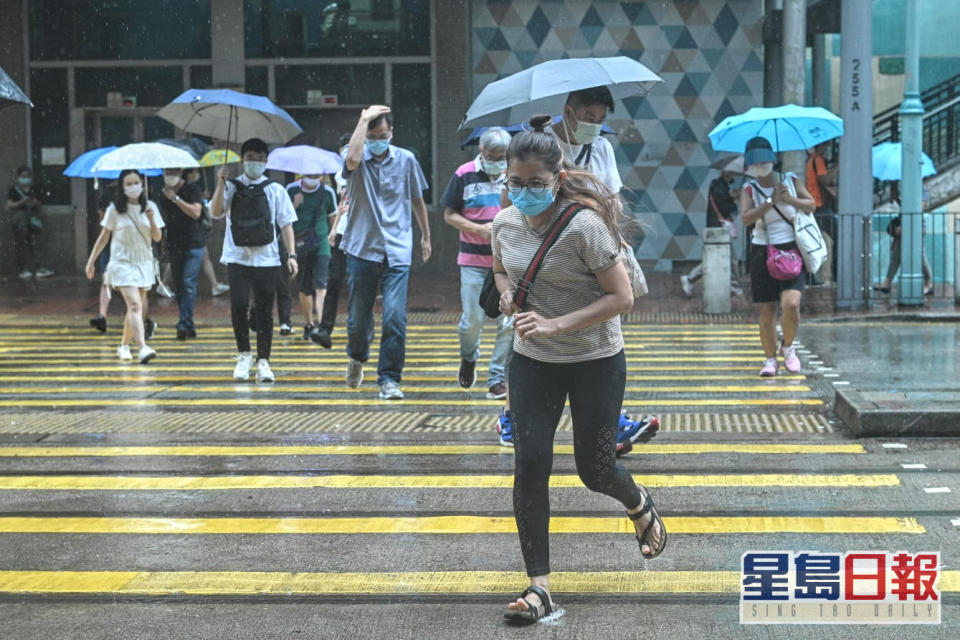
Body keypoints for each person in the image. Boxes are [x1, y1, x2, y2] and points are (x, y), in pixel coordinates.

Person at [492, 115, 666, 623]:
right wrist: (505, 294)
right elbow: (500, 265)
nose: (524, 193)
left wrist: (556, 324)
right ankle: (539, 587)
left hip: (596, 361)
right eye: (515, 183)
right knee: (529, 466)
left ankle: (638, 503)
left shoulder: (584, 226)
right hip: (533, 363)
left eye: (535, 184)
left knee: (595, 470)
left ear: (558, 179)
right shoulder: (503, 222)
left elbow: (623, 297)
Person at [500, 85, 657, 455]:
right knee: (529, 339)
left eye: (601, 120)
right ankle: (514, 415)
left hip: (592, 258)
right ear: (568, 112)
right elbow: (510, 206)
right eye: (588, 119)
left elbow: (614, 201)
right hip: (541, 262)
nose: (594, 126)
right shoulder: (540, 148)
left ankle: (606, 424)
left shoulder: (600, 147)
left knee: (602, 336)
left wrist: (589, 208)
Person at [340, 105, 431, 400]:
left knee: (394, 317)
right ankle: (357, 356)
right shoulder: (355, 156)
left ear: (392, 133)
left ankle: (389, 378)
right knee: (357, 319)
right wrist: (363, 119)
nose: (380, 139)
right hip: (361, 249)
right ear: (365, 136)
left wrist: (426, 236)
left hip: (397, 249)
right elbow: (352, 159)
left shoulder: (406, 160)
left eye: (384, 134)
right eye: (373, 135)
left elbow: (417, 198)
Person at [210, 137, 299, 383]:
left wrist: (291, 255)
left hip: (267, 260)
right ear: (242, 159)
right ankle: (244, 355)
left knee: (263, 311)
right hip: (238, 258)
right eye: (251, 158)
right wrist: (220, 182)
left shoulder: (275, 189)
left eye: (260, 160)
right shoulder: (231, 186)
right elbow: (215, 212)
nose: (255, 164)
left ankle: (264, 361)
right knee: (238, 306)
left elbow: (286, 225)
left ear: (266, 161)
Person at [441, 126, 513, 401]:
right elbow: (449, 214)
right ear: (481, 152)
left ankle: (497, 377)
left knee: (508, 321)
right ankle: (468, 357)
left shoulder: (513, 174)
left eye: (503, 156)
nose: (498, 161)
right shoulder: (464, 174)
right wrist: (479, 228)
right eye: (493, 155)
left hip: (506, 261)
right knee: (471, 321)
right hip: (472, 259)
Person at [739, 137, 817, 377]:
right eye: (756, 162)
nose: (761, 165)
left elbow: (811, 204)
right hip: (763, 250)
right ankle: (770, 359)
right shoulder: (749, 189)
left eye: (765, 160)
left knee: (791, 304)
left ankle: (788, 347)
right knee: (767, 310)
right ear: (749, 165)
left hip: (792, 248)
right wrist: (769, 202)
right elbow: (746, 218)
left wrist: (789, 199)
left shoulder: (790, 180)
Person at [84, 170, 163, 364]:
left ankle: (124, 345)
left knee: (133, 309)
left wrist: (152, 219)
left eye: (136, 182)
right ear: (122, 188)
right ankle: (143, 347)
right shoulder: (114, 210)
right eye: (128, 184)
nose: (133, 186)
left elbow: (157, 237)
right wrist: (91, 261)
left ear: (142, 185)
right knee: (135, 304)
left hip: (143, 262)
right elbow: (104, 238)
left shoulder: (151, 207)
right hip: (122, 262)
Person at [287, 173, 336, 344]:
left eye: (316, 174)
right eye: (310, 174)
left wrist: (332, 235)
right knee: (304, 288)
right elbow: (284, 219)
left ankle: (322, 328)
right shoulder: (291, 190)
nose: (313, 177)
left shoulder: (327, 192)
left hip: (321, 245)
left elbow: (333, 217)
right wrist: (295, 204)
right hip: (300, 246)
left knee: (321, 286)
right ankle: (309, 324)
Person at [158, 168, 205, 340]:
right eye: (166, 172)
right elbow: (164, 220)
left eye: (173, 171)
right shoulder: (163, 194)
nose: (169, 175)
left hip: (194, 243)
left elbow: (195, 212)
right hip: (174, 245)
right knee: (178, 285)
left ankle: (183, 323)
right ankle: (188, 324)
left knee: (188, 282)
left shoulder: (192, 189)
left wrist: (176, 199)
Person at [316, 133, 353, 346]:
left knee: (359, 281)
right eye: (344, 150)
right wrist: (334, 227)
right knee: (334, 279)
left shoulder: (368, 170)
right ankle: (325, 329)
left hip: (362, 233)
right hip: (343, 231)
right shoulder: (340, 175)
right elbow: (343, 201)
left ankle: (362, 328)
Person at [680, 170, 743, 296]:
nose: (734, 176)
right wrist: (734, 198)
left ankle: (691, 278)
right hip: (718, 228)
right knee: (725, 258)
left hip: (717, 227)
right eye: (733, 174)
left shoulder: (720, 186)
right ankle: (733, 286)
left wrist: (731, 197)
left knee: (721, 258)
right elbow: (725, 206)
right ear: (727, 173)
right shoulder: (718, 186)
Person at [874, 190, 934, 296]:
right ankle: (887, 282)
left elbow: (920, 207)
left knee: (920, 255)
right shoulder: (909, 188)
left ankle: (929, 283)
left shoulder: (922, 190)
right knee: (896, 255)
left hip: (916, 226)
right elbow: (907, 208)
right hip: (903, 226)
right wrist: (897, 199)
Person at [6, 167, 53, 280]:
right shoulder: (13, 190)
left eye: (27, 176)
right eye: (23, 176)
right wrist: (22, 201)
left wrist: (33, 203)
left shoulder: (33, 190)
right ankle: (23, 269)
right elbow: (9, 205)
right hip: (19, 221)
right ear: (18, 177)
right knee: (20, 244)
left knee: (35, 244)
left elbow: (39, 203)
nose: (25, 179)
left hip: (32, 219)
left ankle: (39, 268)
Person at [805, 142, 837, 285]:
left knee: (819, 242)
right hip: (819, 206)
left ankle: (815, 277)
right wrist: (838, 166)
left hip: (816, 207)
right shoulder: (817, 160)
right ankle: (830, 276)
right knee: (836, 238)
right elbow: (825, 179)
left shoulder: (813, 160)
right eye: (826, 146)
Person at [89, 180, 118, 333]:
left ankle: (141, 318)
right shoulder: (106, 197)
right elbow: (103, 224)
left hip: (126, 245)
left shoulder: (137, 196)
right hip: (111, 243)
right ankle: (102, 315)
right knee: (106, 279)